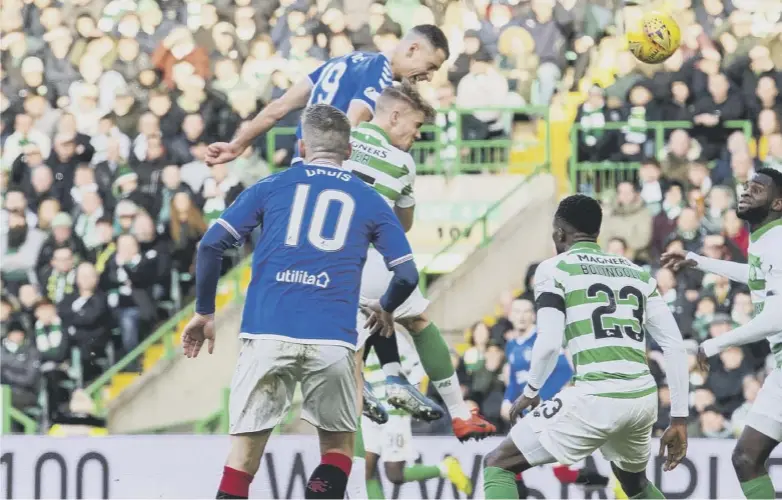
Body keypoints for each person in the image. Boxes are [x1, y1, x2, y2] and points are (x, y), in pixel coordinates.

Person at [181, 104, 419, 500]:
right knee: (338, 451)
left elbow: (211, 244)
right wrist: (386, 307)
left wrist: (205, 312)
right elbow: (407, 274)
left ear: (303, 146)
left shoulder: (272, 185)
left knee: (241, 463)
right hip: (333, 339)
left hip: (267, 332)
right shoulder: (370, 199)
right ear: (349, 151)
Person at [482, 194, 690, 500]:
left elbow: (550, 343)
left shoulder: (554, 269)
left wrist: (530, 392)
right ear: (597, 232)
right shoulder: (637, 272)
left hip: (595, 397)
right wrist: (680, 419)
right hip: (641, 400)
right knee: (634, 485)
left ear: (558, 234)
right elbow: (673, 345)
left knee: (497, 464)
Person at [346, 84, 497, 440]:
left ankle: (373, 382)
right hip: (368, 260)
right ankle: (459, 412)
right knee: (415, 318)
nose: (416, 136)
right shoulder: (402, 163)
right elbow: (404, 225)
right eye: (415, 126)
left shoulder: (343, 139)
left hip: (327, 262)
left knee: (357, 337)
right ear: (394, 116)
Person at [661, 167, 782, 500]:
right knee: (746, 458)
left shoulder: (779, 240)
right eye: (746, 186)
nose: (746, 192)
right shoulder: (768, 238)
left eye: (757, 189)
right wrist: (699, 261)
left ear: (778, 204)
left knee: (747, 457)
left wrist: (717, 342)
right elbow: (757, 275)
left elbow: (778, 316)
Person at [203, 24, 449, 167]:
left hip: (300, 163)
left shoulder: (345, 60)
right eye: (430, 67)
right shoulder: (379, 74)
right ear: (413, 49)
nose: (428, 76)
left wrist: (236, 145)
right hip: (326, 170)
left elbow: (278, 108)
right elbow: (351, 127)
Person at [349, 332, 473, 499]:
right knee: (365, 470)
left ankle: (445, 468)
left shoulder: (391, 335)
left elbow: (418, 364)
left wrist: (405, 394)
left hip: (394, 412)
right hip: (370, 411)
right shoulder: (355, 335)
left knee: (394, 474)